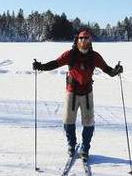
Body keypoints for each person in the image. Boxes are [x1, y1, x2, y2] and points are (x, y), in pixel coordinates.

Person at [31, 27, 123, 159]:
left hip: (87, 93)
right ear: (77, 40)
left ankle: (85, 147)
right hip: (72, 92)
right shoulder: (70, 54)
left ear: (90, 41)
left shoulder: (94, 56)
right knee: (68, 121)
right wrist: (41, 66)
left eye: (87, 38)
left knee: (89, 122)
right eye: (81, 38)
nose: (84, 41)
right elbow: (55, 63)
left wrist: (116, 71)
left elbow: (108, 70)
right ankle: (71, 144)